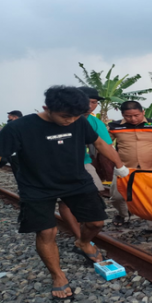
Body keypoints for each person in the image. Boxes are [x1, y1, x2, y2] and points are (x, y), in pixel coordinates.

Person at [0, 86, 129, 300]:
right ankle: (58, 275)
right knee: (46, 232)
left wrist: (119, 165)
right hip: (36, 187)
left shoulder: (79, 120)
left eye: (76, 116)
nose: (71, 120)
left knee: (96, 223)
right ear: (46, 108)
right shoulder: (19, 128)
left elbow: (99, 142)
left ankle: (83, 242)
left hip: (76, 181)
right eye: (65, 116)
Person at [108, 101, 152, 231]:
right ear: (122, 115)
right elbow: (105, 143)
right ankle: (123, 214)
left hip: (151, 167)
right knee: (117, 197)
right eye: (128, 116)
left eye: (136, 115)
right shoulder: (114, 126)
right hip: (124, 168)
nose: (133, 119)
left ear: (143, 112)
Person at [58, 87, 113, 241]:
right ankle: (79, 235)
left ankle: (84, 231)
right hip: (58, 166)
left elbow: (106, 147)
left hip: (84, 163)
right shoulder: (60, 117)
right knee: (67, 200)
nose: (90, 106)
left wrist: (119, 167)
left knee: (94, 192)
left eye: (94, 102)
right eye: (86, 102)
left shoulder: (95, 123)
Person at [0, 110, 24, 176]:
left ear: (15, 117)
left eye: (9, 117)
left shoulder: (17, 125)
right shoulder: (22, 124)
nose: (8, 119)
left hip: (16, 151)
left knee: (17, 169)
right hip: (12, 151)